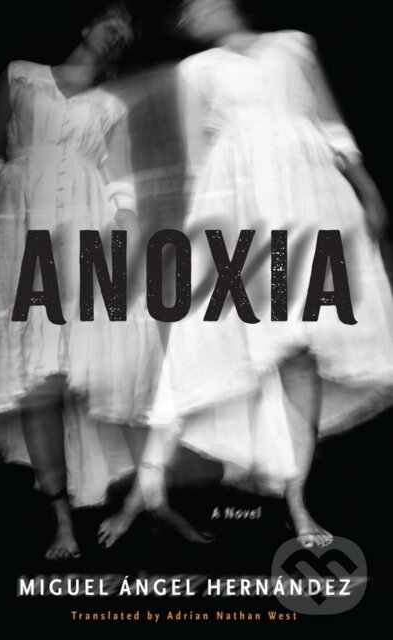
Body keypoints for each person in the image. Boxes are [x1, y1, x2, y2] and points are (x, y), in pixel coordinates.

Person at [144, 0, 393, 548]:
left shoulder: (294, 44)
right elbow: (196, 160)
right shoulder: (197, 70)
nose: (201, 11)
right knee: (259, 344)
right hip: (243, 208)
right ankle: (198, 484)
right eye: (190, 9)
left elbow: (331, 125)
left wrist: (367, 189)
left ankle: (298, 502)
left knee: (305, 346)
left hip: (309, 196)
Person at [0, 1, 175, 559]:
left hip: (88, 224)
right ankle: (61, 522)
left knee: (103, 357)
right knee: (34, 374)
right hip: (21, 224)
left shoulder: (112, 104)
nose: (116, 36)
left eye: (125, 36)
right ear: (88, 24)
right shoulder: (21, 75)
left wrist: (125, 222)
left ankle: (149, 497)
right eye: (112, 25)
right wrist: (18, 182)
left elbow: (122, 178)